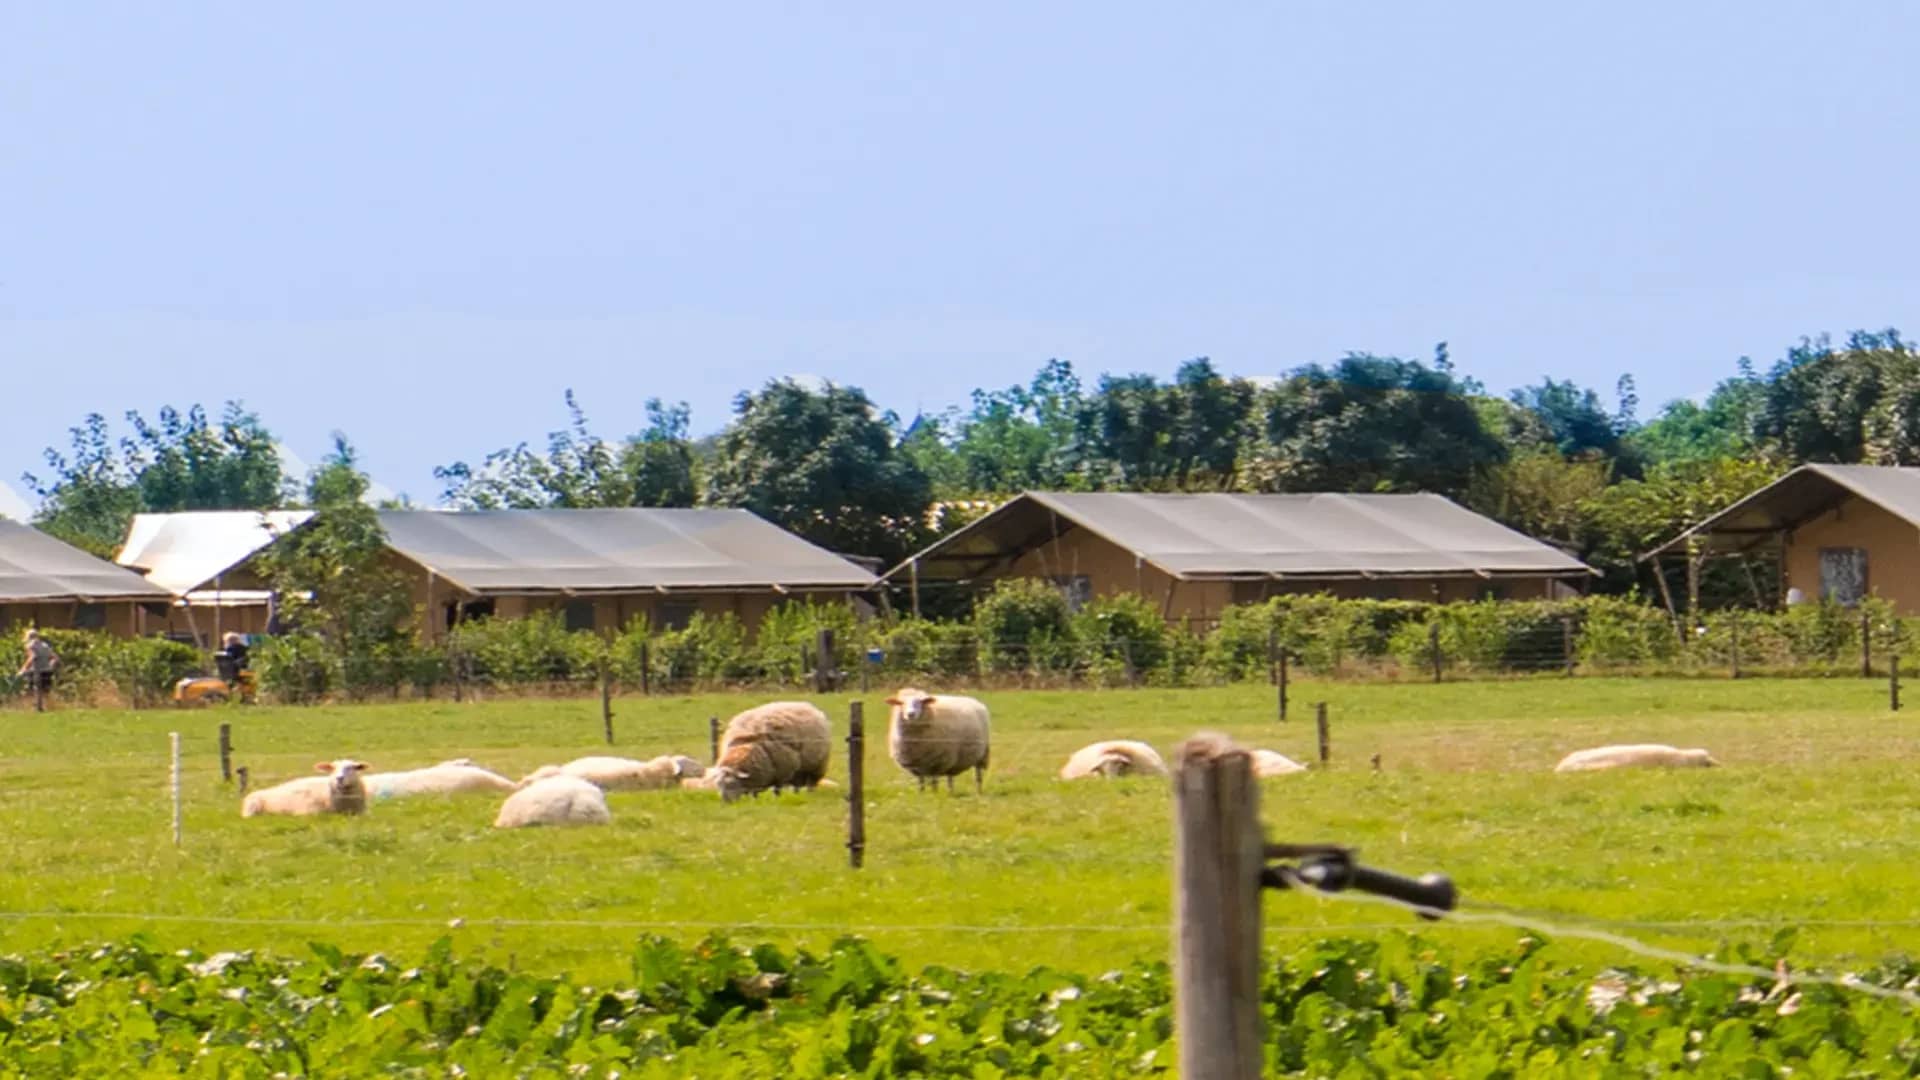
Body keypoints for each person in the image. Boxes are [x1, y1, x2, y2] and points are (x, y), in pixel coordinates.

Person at [17, 629, 57, 706]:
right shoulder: (45, 645)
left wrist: (23, 669)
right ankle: (47, 706)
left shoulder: (30, 645)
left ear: (28, 637)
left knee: (34, 688)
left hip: (36, 670)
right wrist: (50, 666)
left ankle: (39, 707)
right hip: (47, 670)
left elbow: (32, 656)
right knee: (45, 690)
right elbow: (55, 658)